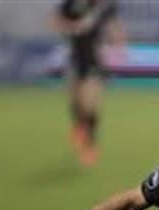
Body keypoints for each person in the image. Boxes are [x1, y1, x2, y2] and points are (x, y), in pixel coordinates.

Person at [52, 0, 126, 167]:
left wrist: (120, 45)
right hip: (74, 59)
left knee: (90, 104)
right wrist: (73, 27)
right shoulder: (73, 4)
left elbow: (114, 25)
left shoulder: (105, 7)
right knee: (75, 102)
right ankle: (79, 126)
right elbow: (55, 20)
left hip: (93, 60)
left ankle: (90, 145)